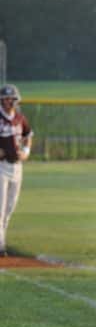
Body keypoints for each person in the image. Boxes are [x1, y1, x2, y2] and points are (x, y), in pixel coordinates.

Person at [0, 84, 33, 258]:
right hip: (1, 167)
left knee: (9, 208)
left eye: (12, 99)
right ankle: (0, 246)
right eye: (6, 99)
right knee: (0, 208)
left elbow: (28, 135)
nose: (9, 102)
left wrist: (26, 151)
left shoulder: (20, 118)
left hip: (17, 168)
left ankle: (2, 241)